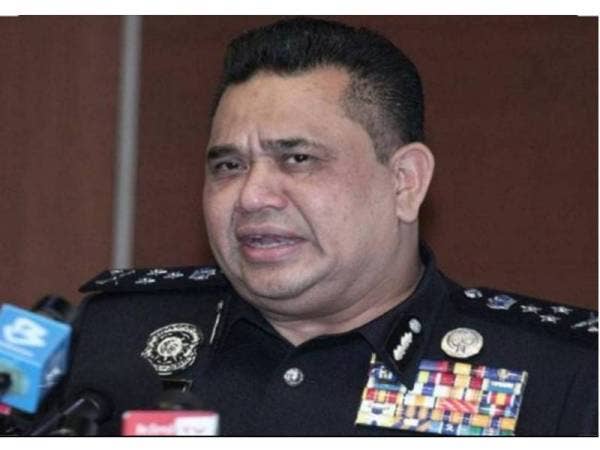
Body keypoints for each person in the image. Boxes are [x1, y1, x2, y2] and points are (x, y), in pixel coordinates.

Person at [38, 17, 597, 436]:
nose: (252, 196)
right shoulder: (110, 340)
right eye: (228, 166)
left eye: (298, 159)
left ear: (405, 182)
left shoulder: (565, 376)